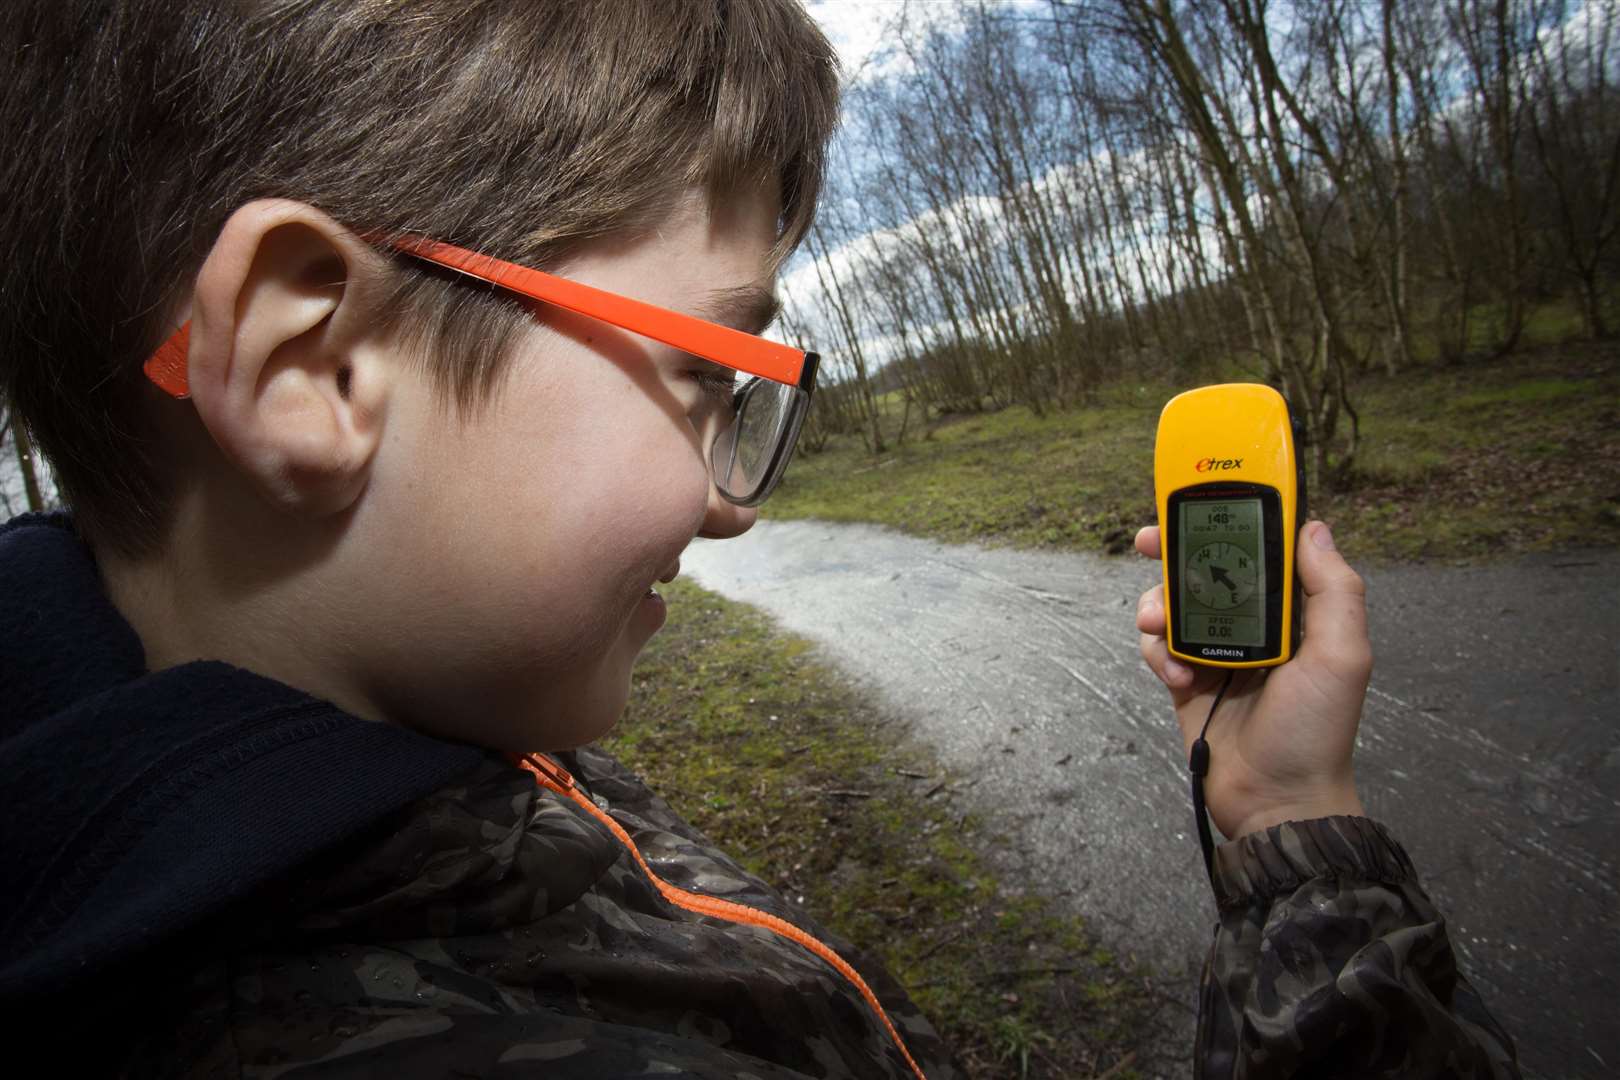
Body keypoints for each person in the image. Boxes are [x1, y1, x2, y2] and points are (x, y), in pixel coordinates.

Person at [0, 1, 1516, 1077]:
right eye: (708, 370)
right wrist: (1320, 878)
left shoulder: (417, 738)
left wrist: (1270, 804)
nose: (730, 500)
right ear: (320, 366)